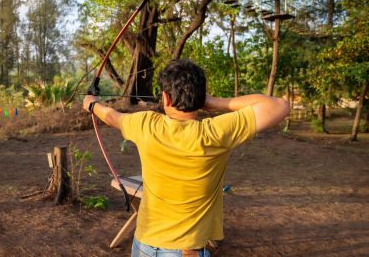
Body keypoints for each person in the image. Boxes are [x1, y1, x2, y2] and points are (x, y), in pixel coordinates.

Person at [83, 59, 290, 257]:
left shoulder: (146, 124)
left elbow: (110, 115)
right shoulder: (216, 133)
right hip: (186, 251)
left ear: (166, 98)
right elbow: (280, 105)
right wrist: (212, 102)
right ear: (200, 97)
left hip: (143, 244)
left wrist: (91, 104)